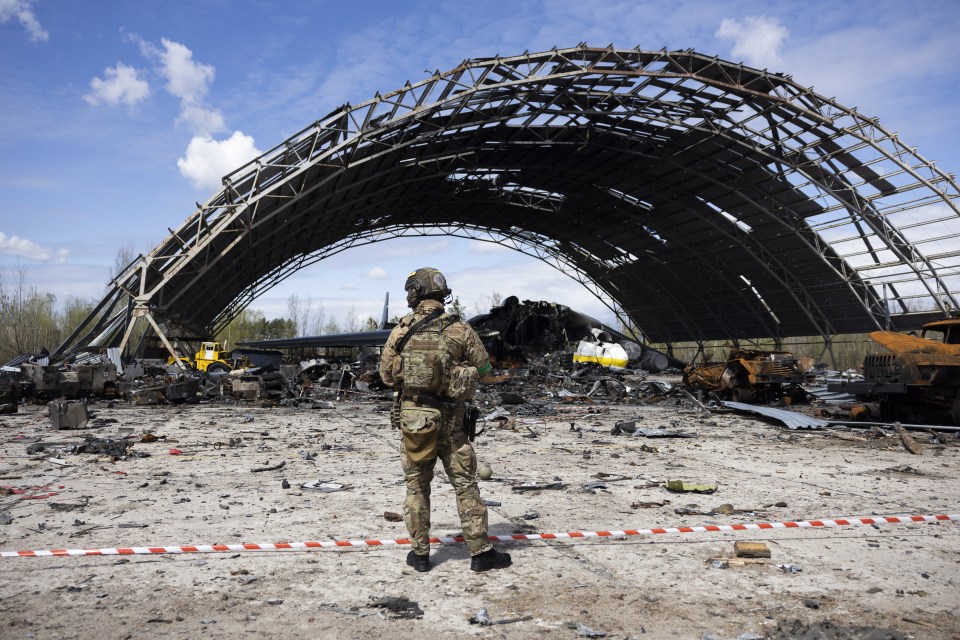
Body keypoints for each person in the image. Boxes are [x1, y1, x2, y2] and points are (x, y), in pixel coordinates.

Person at [380, 267, 512, 573]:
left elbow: (386, 376)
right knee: (466, 486)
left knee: (416, 487)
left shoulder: (401, 330)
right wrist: (460, 375)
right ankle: (480, 553)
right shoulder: (460, 329)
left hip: (415, 422)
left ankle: (421, 555)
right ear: (441, 294)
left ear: (415, 293)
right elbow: (485, 370)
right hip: (452, 423)